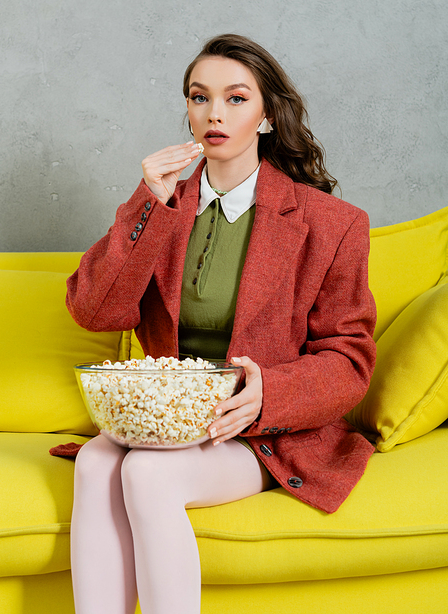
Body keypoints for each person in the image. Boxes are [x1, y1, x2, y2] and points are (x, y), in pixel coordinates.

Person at [65, 34, 376, 614]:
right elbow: (96, 311)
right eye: (198, 96)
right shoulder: (163, 205)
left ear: (265, 115)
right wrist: (148, 205)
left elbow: (350, 358)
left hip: (262, 431)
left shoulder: (332, 224)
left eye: (236, 98)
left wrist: (270, 394)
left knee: (149, 478)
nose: (214, 113)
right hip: (168, 418)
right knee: (95, 461)